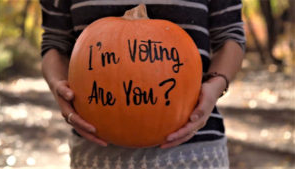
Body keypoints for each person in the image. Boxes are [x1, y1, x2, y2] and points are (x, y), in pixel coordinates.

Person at [40, 0, 245, 168]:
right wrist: (57, 85)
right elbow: (54, 42)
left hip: (194, 152)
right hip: (95, 152)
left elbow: (230, 36)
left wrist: (216, 84)